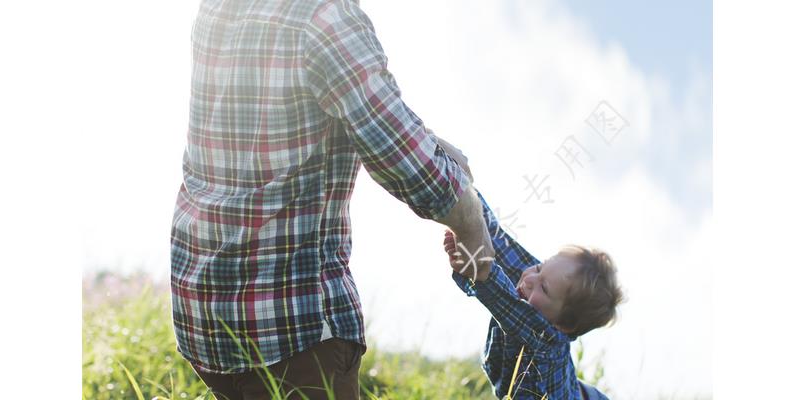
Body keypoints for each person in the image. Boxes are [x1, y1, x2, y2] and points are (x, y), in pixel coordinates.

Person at [169, 0, 493, 398]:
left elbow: (338, 105)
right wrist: (471, 222)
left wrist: (431, 143)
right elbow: (408, 164)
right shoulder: (325, 17)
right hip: (289, 324)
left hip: (203, 303)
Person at [443, 191, 624, 400]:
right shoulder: (538, 285)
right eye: (539, 267)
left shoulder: (544, 338)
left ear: (563, 326)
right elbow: (502, 246)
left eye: (544, 288)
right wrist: (465, 194)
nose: (529, 279)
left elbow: (509, 303)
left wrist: (480, 269)